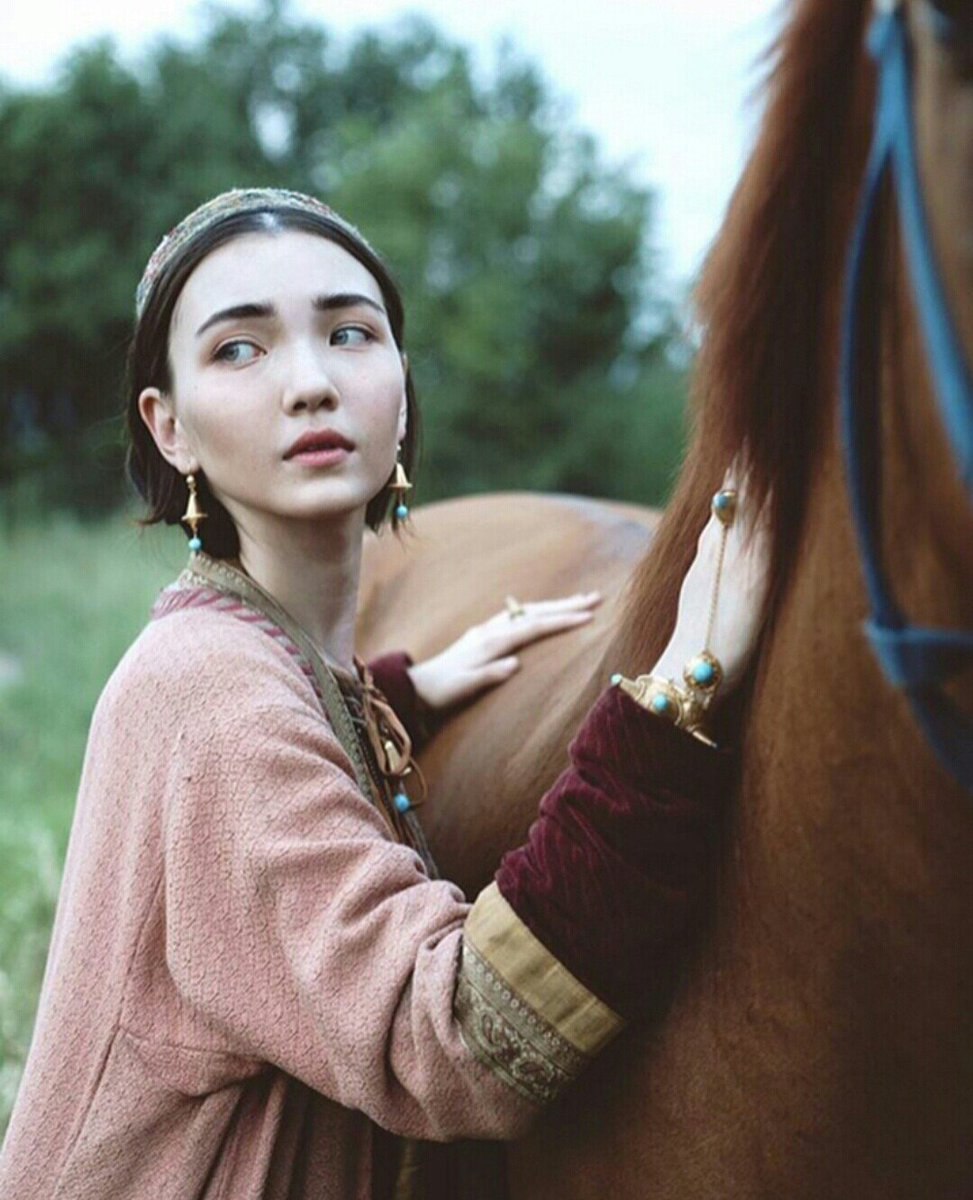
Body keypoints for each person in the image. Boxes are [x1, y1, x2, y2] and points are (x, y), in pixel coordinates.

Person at [0, 188, 769, 1199]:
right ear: (169, 425)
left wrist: (393, 696)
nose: (311, 382)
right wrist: (677, 693)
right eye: (240, 348)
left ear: (399, 390)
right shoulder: (208, 696)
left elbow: (277, 787)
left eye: (349, 333)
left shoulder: (255, 658)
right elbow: (457, 1043)